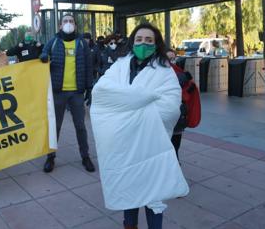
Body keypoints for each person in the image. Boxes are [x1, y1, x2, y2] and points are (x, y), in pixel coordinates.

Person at [90, 23, 188, 229]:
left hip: (150, 144)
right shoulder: (119, 66)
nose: (144, 43)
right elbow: (101, 92)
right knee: (129, 190)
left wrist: (129, 109)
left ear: (156, 44)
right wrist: (141, 102)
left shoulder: (164, 71)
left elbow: (170, 107)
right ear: (133, 42)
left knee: (153, 193)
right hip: (124, 144)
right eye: (140, 40)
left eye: (149, 40)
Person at [39, 14, 95, 173]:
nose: (68, 24)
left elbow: (89, 67)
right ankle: (50, 158)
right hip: (58, 92)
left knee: (80, 127)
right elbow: (43, 56)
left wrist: (89, 88)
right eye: (65, 21)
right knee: (54, 127)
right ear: (60, 25)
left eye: (71, 21)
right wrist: (43, 57)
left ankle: (85, 157)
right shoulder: (53, 41)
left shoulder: (82, 44)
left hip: (76, 93)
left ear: (75, 25)